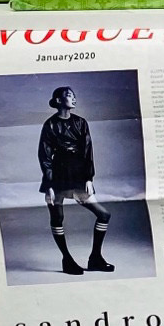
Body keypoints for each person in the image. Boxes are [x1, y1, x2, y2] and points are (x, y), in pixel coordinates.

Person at [37, 85, 112, 275]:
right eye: (69, 95)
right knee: (57, 217)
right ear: (59, 100)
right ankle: (67, 259)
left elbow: (87, 150)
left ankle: (95, 258)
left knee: (103, 215)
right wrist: (49, 184)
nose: (74, 98)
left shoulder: (81, 122)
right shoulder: (50, 124)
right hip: (58, 174)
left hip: (78, 174)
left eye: (74, 95)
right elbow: (45, 155)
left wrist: (88, 178)